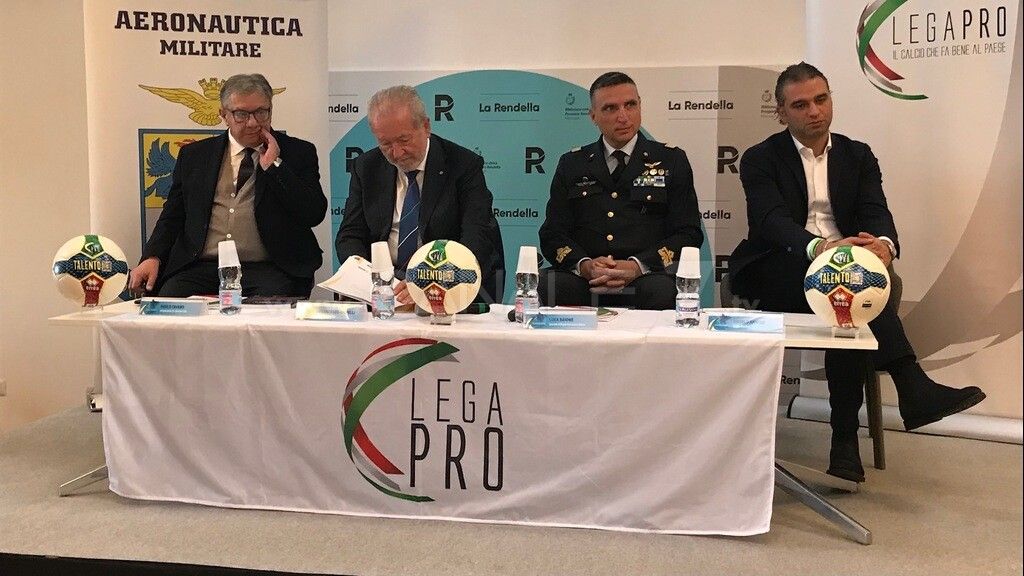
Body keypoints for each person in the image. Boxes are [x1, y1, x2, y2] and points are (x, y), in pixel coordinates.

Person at [729, 62, 986, 482]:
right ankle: (903, 392)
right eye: (800, 104)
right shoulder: (761, 158)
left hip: (845, 264)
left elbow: (875, 210)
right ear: (781, 112)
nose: (814, 111)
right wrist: (821, 248)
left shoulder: (857, 155)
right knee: (847, 295)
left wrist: (883, 245)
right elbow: (771, 221)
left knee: (848, 306)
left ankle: (847, 444)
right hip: (778, 263)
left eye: (821, 99)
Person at [129, 73, 327, 298]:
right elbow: (173, 216)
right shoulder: (195, 156)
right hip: (203, 266)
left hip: (270, 268)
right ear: (223, 115)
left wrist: (275, 166)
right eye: (241, 114)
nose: (253, 123)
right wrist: (152, 256)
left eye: (261, 112)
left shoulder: (298, 152)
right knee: (169, 300)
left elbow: (313, 213)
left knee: (270, 309)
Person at [538, 72, 702, 309]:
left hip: (647, 276)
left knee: (662, 289)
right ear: (593, 116)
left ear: (640, 106)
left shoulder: (671, 160)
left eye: (630, 105)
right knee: (549, 284)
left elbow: (688, 233)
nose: (623, 116)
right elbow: (552, 233)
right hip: (586, 279)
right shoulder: (572, 163)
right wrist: (584, 265)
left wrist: (637, 266)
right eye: (610, 108)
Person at [335, 85, 504, 304]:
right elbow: (350, 235)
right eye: (385, 144)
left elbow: (477, 238)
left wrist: (430, 281)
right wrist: (367, 277)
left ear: (426, 126)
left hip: (444, 285)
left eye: (404, 140)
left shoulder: (463, 165)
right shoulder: (366, 167)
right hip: (384, 288)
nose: (396, 153)